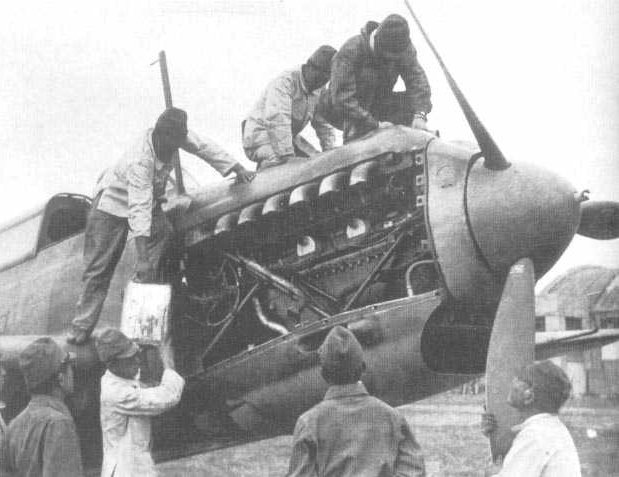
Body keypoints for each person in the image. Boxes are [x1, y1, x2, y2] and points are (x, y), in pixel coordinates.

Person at [67, 107, 255, 344]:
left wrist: (236, 168)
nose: (175, 149)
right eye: (171, 144)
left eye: (179, 142)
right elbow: (139, 210)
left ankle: (140, 296)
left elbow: (204, 147)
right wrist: (143, 258)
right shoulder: (141, 161)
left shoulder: (176, 134)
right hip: (112, 207)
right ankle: (79, 330)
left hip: (146, 201)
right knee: (99, 270)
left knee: (163, 232)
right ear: (160, 135)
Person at [287, 325, 425, 477]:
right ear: (362, 368)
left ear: (323, 373)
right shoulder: (393, 418)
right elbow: (414, 472)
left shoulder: (308, 423)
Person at [319, 14, 432, 143]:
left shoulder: (403, 48)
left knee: (410, 103)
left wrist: (420, 115)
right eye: (388, 56)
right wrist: (374, 125)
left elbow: (418, 82)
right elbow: (342, 99)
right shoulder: (350, 51)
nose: (391, 60)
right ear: (377, 42)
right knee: (368, 78)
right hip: (341, 108)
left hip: (376, 103)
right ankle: (355, 137)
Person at [96, 328, 184, 477]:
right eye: (130, 358)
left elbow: (135, 379)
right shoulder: (117, 394)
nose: (137, 361)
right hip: (127, 470)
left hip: (132, 463)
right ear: (112, 364)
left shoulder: (117, 375)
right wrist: (168, 362)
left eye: (137, 355)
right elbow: (168, 397)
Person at [242, 45, 337, 170]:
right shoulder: (285, 82)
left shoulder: (319, 87)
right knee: (282, 165)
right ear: (310, 68)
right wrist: (287, 155)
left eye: (326, 80)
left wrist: (329, 149)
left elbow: (322, 122)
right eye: (319, 78)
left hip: (288, 138)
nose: (320, 84)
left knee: (317, 161)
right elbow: (278, 118)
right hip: (259, 137)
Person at [481, 360, 581, 477]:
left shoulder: (535, 435)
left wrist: (490, 474)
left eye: (519, 378)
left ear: (529, 396)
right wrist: (496, 435)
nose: (513, 382)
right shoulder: (546, 428)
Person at [6, 337, 83, 477]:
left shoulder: (15, 424)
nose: (73, 372)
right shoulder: (59, 424)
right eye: (70, 368)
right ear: (60, 378)